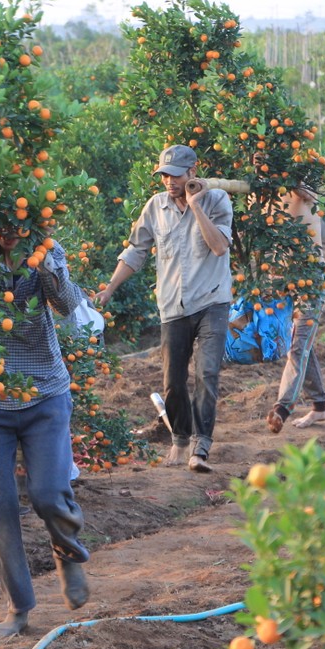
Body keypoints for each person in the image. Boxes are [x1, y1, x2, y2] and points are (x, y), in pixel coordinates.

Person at [0, 228, 90, 639]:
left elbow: (68, 305)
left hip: (45, 394)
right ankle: (18, 607)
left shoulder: (47, 253)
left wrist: (49, 259)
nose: (10, 233)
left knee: (50, 492)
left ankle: (66, 552)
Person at [93, 145, 233, 473]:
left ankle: (201, 446)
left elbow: (219, 246)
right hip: (173, 305)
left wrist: (196, 205)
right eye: (165, 175)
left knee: (207, 373)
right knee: (173, 381)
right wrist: (109, 289)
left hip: (212, 301)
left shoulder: (217, 201)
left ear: (193, 171)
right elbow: (136, 251)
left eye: (176, 175)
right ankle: (180, 439)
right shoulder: (156, 207)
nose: (169, 182)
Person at [265, 184, 325, 433]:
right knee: (301, 344)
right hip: (280, 279)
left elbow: (311, 194)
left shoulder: (302, 177)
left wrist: (286, 173)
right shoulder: (261, 190)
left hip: (311, 277)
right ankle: (321, 405)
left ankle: (282, 408)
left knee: (298, 344)